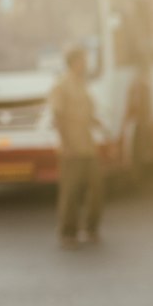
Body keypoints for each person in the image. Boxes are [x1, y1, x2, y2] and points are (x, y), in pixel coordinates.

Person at [49, 45, 104, 248]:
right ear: (75, 62)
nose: (86, 64)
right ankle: (68, 231)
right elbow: (58, 116)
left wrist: (98, 123)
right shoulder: (62, 85)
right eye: (83, 60)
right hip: (72, 146)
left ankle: (91, 228)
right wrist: (66, 145)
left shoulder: (82, 84)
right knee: (70, 191)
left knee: (96, 188)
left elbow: (87, 112)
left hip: (87, 145)